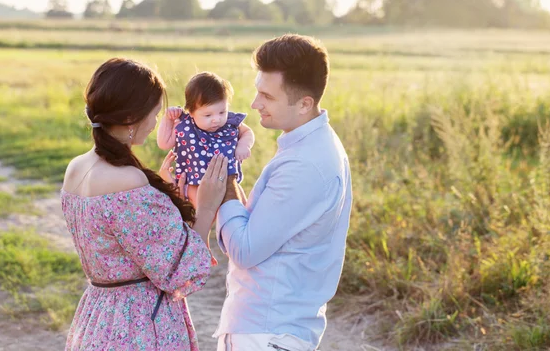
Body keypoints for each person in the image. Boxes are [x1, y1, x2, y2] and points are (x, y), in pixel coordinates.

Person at [60, 57, 229, 351]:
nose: (154, 124)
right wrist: (207, 206)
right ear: (130, 119)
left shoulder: (76, 167)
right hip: (137, 323)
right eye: (154, 114)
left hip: (98, 316)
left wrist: (159, 195)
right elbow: (181, 268)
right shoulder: (127, 181)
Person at [212, 34, 353, 351]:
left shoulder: (304, 165)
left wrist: (223, 180)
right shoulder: (311, 146)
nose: (254, 104)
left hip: (266, 334)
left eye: (267, 96)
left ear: (304, 104)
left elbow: (246, 249)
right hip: (271, 328)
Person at [156, 71, 255, 208]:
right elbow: (164, 143)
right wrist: (168, 119)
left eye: (222, 112)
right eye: (208, 115)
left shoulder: (230, 123)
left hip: (228, 182)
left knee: (239, 211)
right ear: (191, 112)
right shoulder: (185, 126)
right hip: (196, 185)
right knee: (201, 218)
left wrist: (244, 146)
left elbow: (247, 132)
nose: (217, 119)